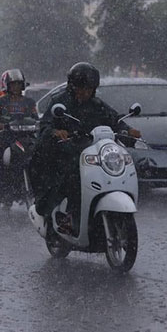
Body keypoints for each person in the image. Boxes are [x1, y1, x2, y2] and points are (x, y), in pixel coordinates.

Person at [29, 62, 141, 235]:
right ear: (72, 86)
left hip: (90, 150)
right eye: (81, 88)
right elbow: (45, 125)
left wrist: (127, 130)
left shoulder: (96, 104)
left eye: (89, 89)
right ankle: (69, 216)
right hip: (62, 152)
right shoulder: (60, 102)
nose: (85, 92)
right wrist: (55, 132)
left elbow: (114, 119)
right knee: (75, 176)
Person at [0, 69, 38, 194]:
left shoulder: (29, 102)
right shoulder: (1, 101)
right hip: (7, 135)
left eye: (18, 84)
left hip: (26, 135)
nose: (16, 87)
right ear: (7, 86)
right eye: (13, 84)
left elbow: (36, 118)